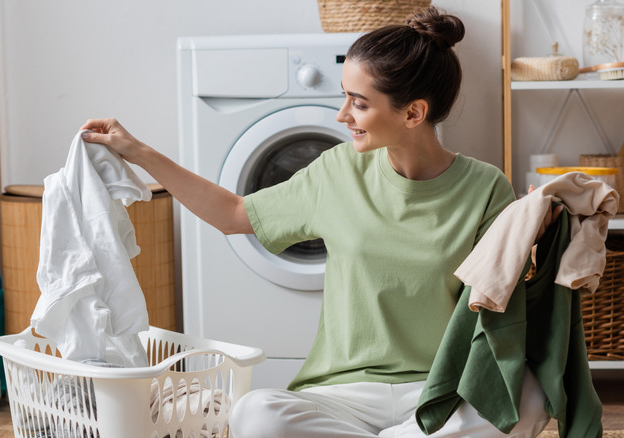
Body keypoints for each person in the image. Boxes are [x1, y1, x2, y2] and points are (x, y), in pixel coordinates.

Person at [81, 6, 561, 437]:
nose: (341, 115)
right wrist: (138, 152)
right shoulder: (338, 171)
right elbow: (233, 214)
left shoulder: (485, 187)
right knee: (257, 414)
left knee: (530, 398)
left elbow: (502, 296)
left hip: (440, 389)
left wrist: (536, 234)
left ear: (413, 113)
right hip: (343, 395)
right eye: (344, 97)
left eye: (359, 102)